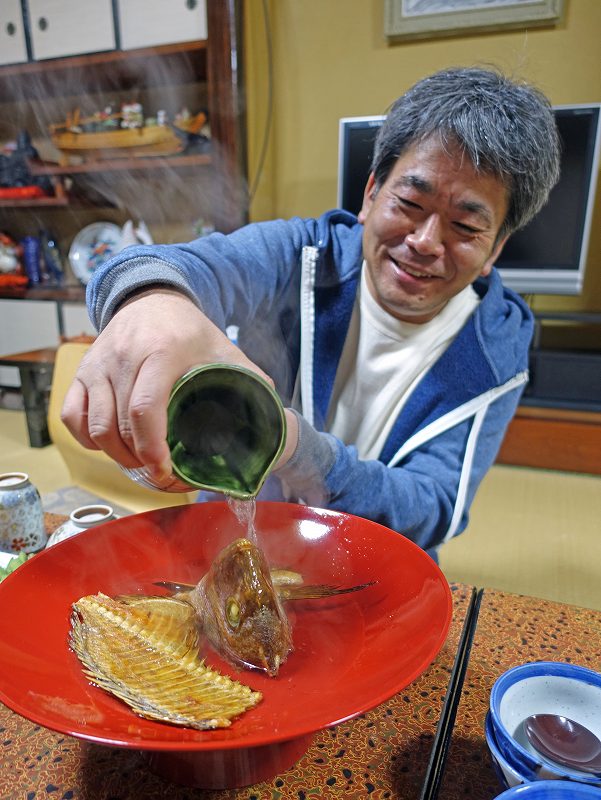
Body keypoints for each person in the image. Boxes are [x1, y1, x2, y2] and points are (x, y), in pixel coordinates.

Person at [62, 66, 561, 560]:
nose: (425, 242)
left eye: (466, 227)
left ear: (495, 249)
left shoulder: (495, 347)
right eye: (409, 202)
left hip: (367, 561)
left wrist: (300, 451)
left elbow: (435, 506)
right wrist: (149, 300)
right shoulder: (301, 255)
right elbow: (185, 266)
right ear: (370, 194)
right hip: (230, 538)